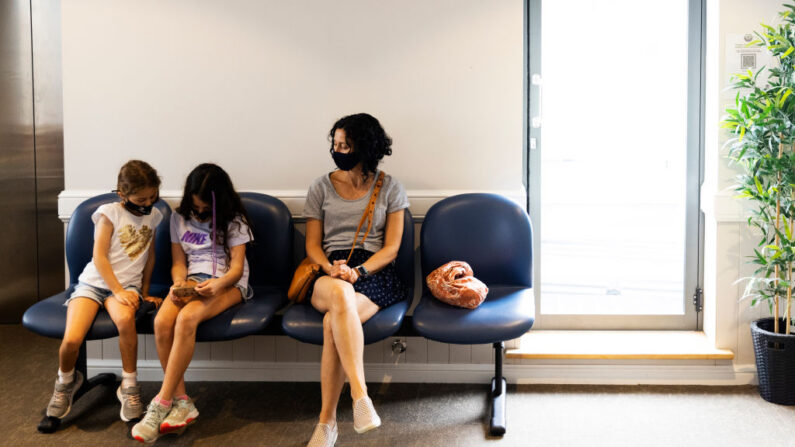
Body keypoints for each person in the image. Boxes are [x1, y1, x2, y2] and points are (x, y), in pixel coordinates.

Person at [303, 113, 410, 447]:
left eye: (345, 145)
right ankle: (361, 396)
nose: (338, 150)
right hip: (329, 269)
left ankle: (327, 423)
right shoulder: (320, 187)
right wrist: (332, 269)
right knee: (339, 296)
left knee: (331, 325)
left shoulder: (390, 187)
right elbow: (312, 246)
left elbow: (391, 248)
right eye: (335, 144)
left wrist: (359, 271)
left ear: (364, 147)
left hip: (374, 271)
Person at [132, 163, 254, 443]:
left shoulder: (235, 220)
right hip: (191, 280)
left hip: (229, 283)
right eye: (195, 207)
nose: (199, 213)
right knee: (162, 320)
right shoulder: (178, 217)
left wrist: (217, 285)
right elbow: (178, 262)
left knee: (187, 319)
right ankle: (182, 401)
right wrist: (178, 285)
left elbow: (236, 269)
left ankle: (161, 403)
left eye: (204, 210)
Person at [47, 160, 163, 423]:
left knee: (125, 322)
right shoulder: (108, 212)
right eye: (140, 198)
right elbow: (99, 256)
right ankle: (66, 382)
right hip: (94, 284)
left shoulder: (154, 216)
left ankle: (129, 385)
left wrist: (142, 293)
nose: (147, 203)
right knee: (72, 340)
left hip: (128, 288)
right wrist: (117, 290)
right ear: (122, 193)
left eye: (152, 197)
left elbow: (150, 257)